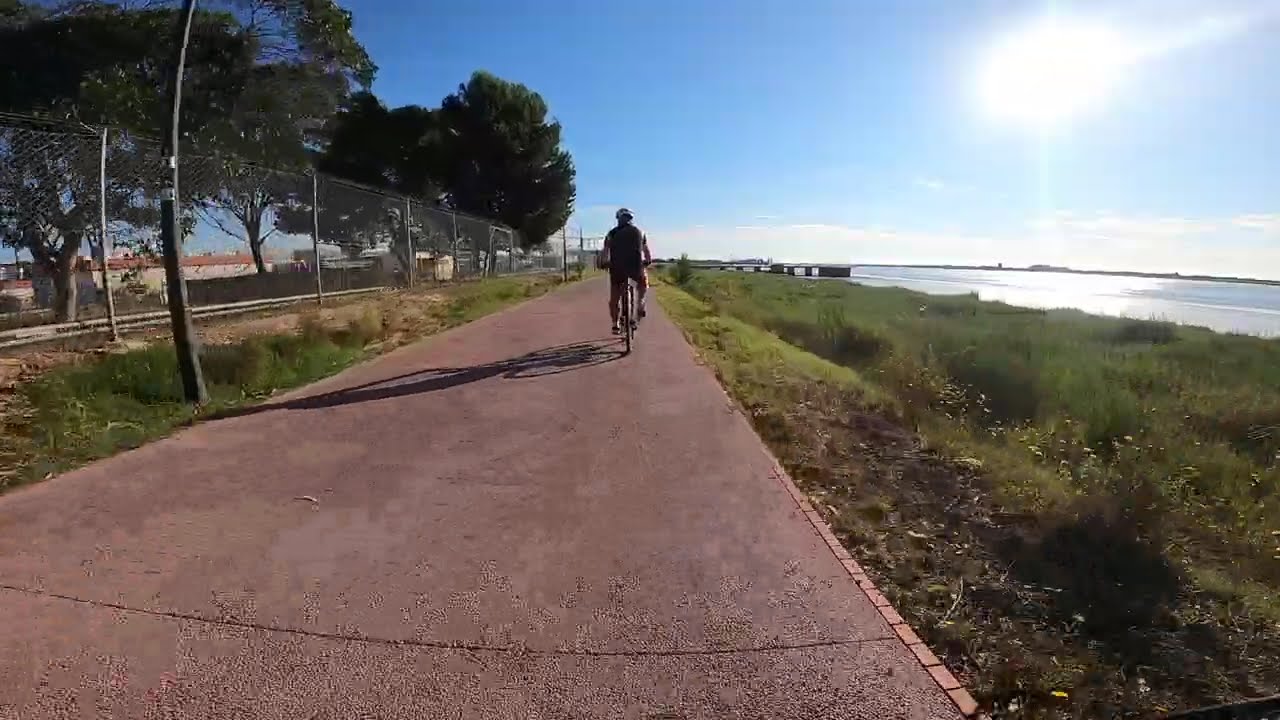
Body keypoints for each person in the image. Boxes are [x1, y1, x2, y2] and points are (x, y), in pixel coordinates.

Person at [600, 207, 652, 334]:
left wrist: (604, 262)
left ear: (618, 219)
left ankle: (615, 324)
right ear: (631, 219)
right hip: (636, 268)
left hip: (617, 269)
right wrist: (648, 260)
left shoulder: (612, 233)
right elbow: (646, 250)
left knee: (614, 299)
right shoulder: (639, 232)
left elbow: (605, 251)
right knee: (643, 285)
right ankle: (640, 304)